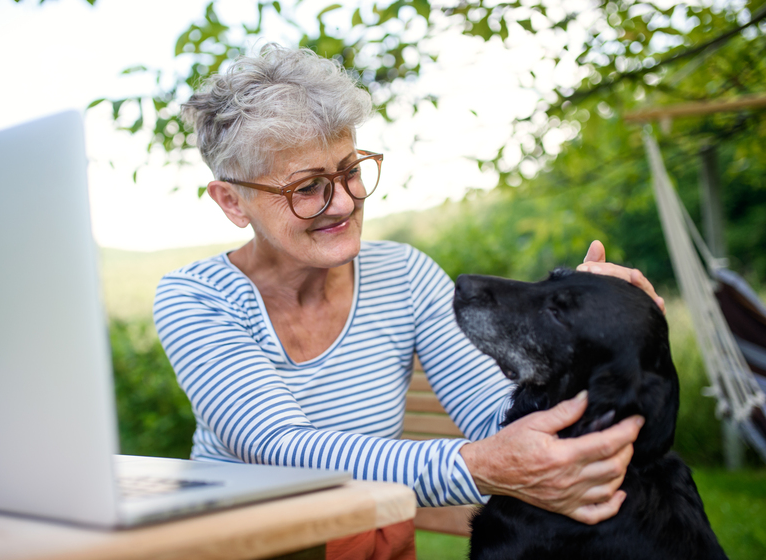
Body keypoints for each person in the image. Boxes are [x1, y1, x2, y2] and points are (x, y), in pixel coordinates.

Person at [153, 44, 664, 555]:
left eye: (350, 170)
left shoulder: (402, 273)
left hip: (371, 540)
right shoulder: (195, 298)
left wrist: (616, 332)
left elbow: (498, 418)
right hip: (242, 545)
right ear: (232, 202)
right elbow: (279, 447)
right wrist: (480, 467)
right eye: (307, 188)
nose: (346, 202)